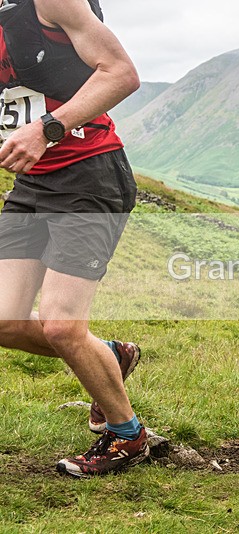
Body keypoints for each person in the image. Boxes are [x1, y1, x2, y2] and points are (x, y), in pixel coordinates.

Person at [0, 0, 147, 476]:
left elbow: (122, 73)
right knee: (4, 320)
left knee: (62, 325)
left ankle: (127, 435)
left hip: (90, 175)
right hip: (32, 183)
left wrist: (47, 129)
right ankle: (110, 355)